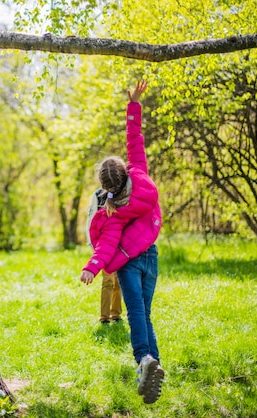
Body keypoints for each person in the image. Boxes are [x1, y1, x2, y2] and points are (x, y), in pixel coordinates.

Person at [80, 80, 164, 404]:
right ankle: (152, 366)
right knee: (145, 312)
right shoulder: (140, 173)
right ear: (125, 173)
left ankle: (144, 359)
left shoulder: (113, 211)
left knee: (136, 315)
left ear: (106, 187)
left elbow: (105, 244)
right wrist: (134, 105)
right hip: (151, 256)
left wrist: (92, 267)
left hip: (129, 263)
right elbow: (135, 139)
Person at [86, 188, 123, 324]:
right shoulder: (97, 195)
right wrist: (92, 243)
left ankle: (116, 314)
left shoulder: (123, 192)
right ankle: (104, 316)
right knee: (107, 280)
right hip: (104, 244)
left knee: (118, 280)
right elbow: (91, 218)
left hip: (120, 244)